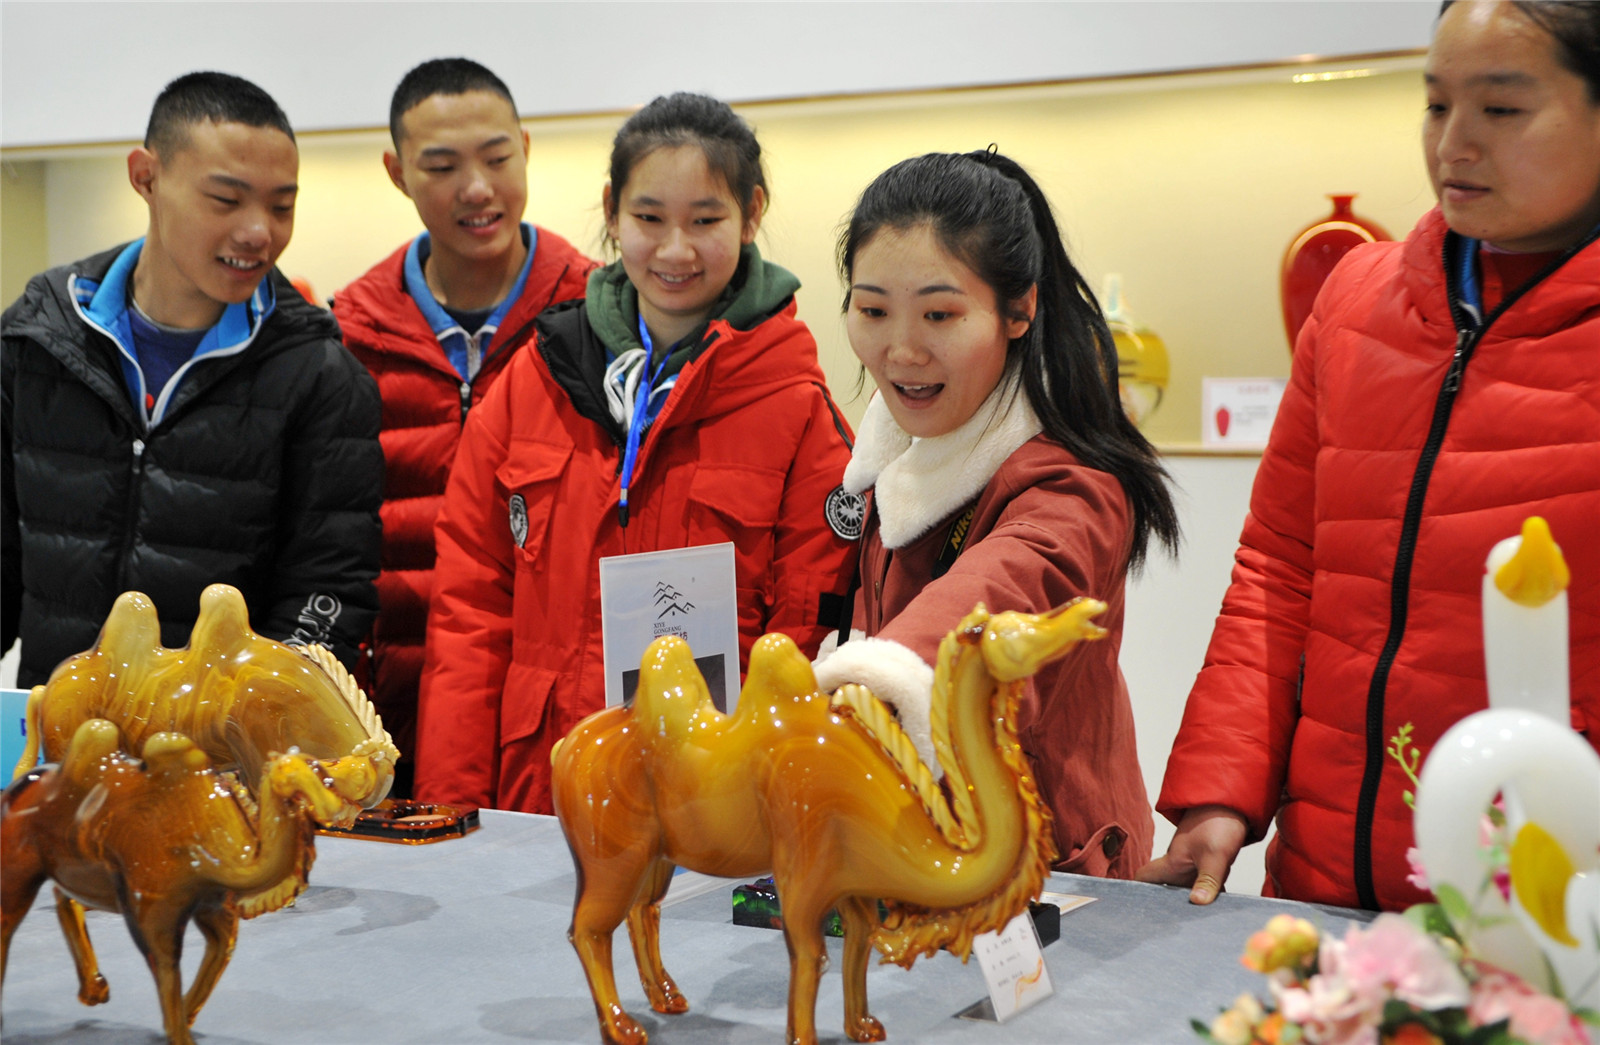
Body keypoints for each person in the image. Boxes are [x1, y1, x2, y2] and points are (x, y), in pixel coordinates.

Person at [1140, 0, 1600, 912]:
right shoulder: (1356, 299)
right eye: (1435, 105)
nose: (1453, 145)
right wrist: (1219, 790)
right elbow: (1280, 565)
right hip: (1324, 888)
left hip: (1546, 915)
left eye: (1501, 110)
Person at [415, 92, 859, 813]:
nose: (675, 250)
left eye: (706, 220)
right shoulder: (532, 382)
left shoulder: (798, 410)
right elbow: (469, 616)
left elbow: (806, 640)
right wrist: (451, 816)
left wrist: (768, 817)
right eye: (649, 218)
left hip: (712, 811)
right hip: (542, 799)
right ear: (612, 212)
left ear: (752, 213)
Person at [812, 149, 1181, 878]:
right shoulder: (891, 458)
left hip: (1047, 869)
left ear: (1020, 309)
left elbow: (1000, 590)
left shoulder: (1075, 481)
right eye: (873, 310)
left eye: (941, 314)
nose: (903, 349)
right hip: (917, 846)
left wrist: (870, 686)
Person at [1, 71, 381, 686]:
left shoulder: (319, 376)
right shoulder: (36, 343)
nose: (260, 231)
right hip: (58, 745)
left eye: (282, 206)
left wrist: (253, 712)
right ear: (146, 177)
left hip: (223, 754)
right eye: (227, 200)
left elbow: (328, 592)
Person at [332, 59, 594, 795]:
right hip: (385, 736)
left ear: (527, 149)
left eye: (497, 158)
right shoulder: (348, 338)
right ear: (396, 171)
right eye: (442, 166)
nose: (477, 189)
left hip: (559, 740)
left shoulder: (599, 324)